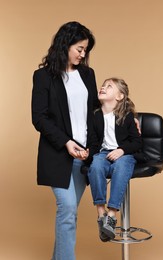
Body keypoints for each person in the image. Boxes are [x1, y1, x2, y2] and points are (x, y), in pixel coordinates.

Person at [31, 21, 99, 260]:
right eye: (79, 48)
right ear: (65, 45)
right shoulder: (43, 76)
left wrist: (128, 117)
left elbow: (96, 111)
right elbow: (39, 118)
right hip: (58, 154)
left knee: (70, 215)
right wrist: (66, 143)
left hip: (84, 155)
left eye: (85, 50)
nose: (83, 54)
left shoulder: (87, 74)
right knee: (67, 209)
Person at [87, 77, 142, 242]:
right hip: (103, 153)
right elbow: (94, 143)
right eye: (103, 85)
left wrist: (122, 150)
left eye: (109, 86)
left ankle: (111, 215)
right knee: (96, 165)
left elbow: (137, 142)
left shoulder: (126, 116)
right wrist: (88, 154)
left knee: (123, 164)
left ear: (120, 96)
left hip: (124, 154)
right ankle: (101, 214)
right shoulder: (95, 116)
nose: (103, 87)